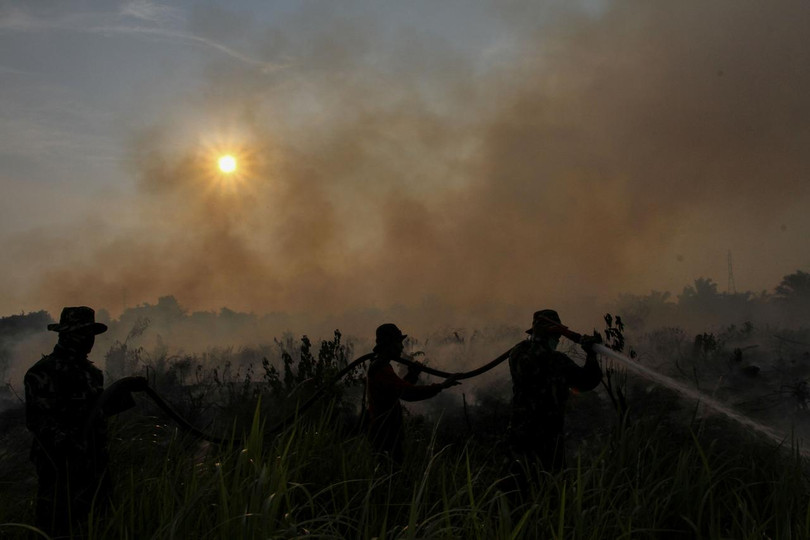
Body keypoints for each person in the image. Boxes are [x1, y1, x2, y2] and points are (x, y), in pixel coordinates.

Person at [25, 306, 146, 537]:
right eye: (83, 333)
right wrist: (71, 444)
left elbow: (98, 410)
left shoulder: (91, 373)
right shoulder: (43, 372)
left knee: (98, 525)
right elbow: (38, 422)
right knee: (57, 527)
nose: (89, 340)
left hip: (95, 463)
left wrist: (125, 387)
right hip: (59, 467)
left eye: (91, 334)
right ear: (67, 334)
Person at [506, 309, 602, 478]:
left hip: (551, 438)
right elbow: (527, 366)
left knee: (552, 487)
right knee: (519, 487)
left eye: (558, 335)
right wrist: (541, 339)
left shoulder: (559, 361)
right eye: (554, 334)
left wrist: (591, 355)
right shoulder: (520, 352)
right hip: (523, 437)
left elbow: (586, 382)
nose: (557, 339)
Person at [365, 323, 459, 464]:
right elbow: (407, 393)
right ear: (389, 344)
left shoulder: (383, 366)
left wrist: (413, 374)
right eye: (398, 343)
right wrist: (441, 386)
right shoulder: (381, 368)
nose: (402, 347)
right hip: (384, 436)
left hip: (387, 434)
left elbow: (397, 391)